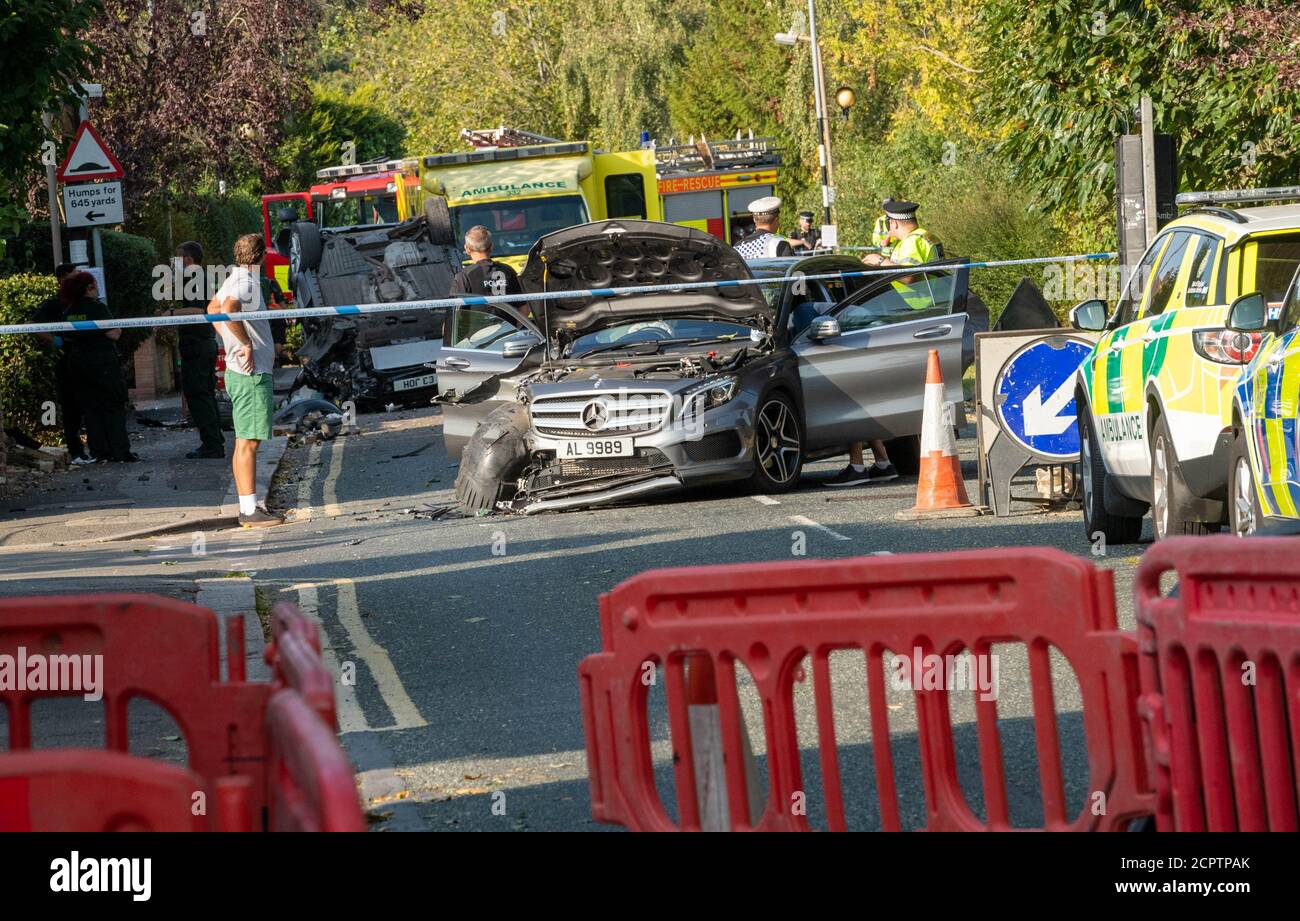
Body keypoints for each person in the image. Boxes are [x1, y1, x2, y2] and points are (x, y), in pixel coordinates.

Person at [208, 234, 281, 528]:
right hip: (252, 374)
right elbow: (227, 309)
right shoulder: (248, 282)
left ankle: (247, 506)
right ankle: (250, 511)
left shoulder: (233, 277)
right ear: (262, 256)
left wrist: (229, 342)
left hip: (240, 371)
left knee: (243, 442)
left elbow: (213, 309)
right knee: (249, 443)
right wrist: (244, 343)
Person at [57, 271, 136, 463]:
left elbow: (65, 336)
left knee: (91, 408)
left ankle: (99, 452)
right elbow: (114, 334)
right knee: (113, 405)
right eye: (95, 285)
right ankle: (120, 451)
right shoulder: (97, 308)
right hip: (102, 361)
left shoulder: (69, 311)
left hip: (78, 362)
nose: (97, 288)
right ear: (89, 288)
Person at [165, 242, 225, 459]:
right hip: (203, 343)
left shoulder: (194, 279)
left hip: (197, 345)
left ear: (188, 260)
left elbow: (200, 309)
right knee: (205, 393)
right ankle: (214, 440)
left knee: (198, 395)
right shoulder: (200, 277)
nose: (175, 264)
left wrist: (172, 313)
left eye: (178, 259)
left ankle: (211, 444)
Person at [32, 263, 90, 463]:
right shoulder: (54, 304)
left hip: (87, 357)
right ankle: (76, 451)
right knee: (71, 407)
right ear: (63, 278)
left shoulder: (83, 301)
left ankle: (97, 447)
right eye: (75, 275)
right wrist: (55, 340)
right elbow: (35, 327)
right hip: (66, 359)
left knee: (90, 403)